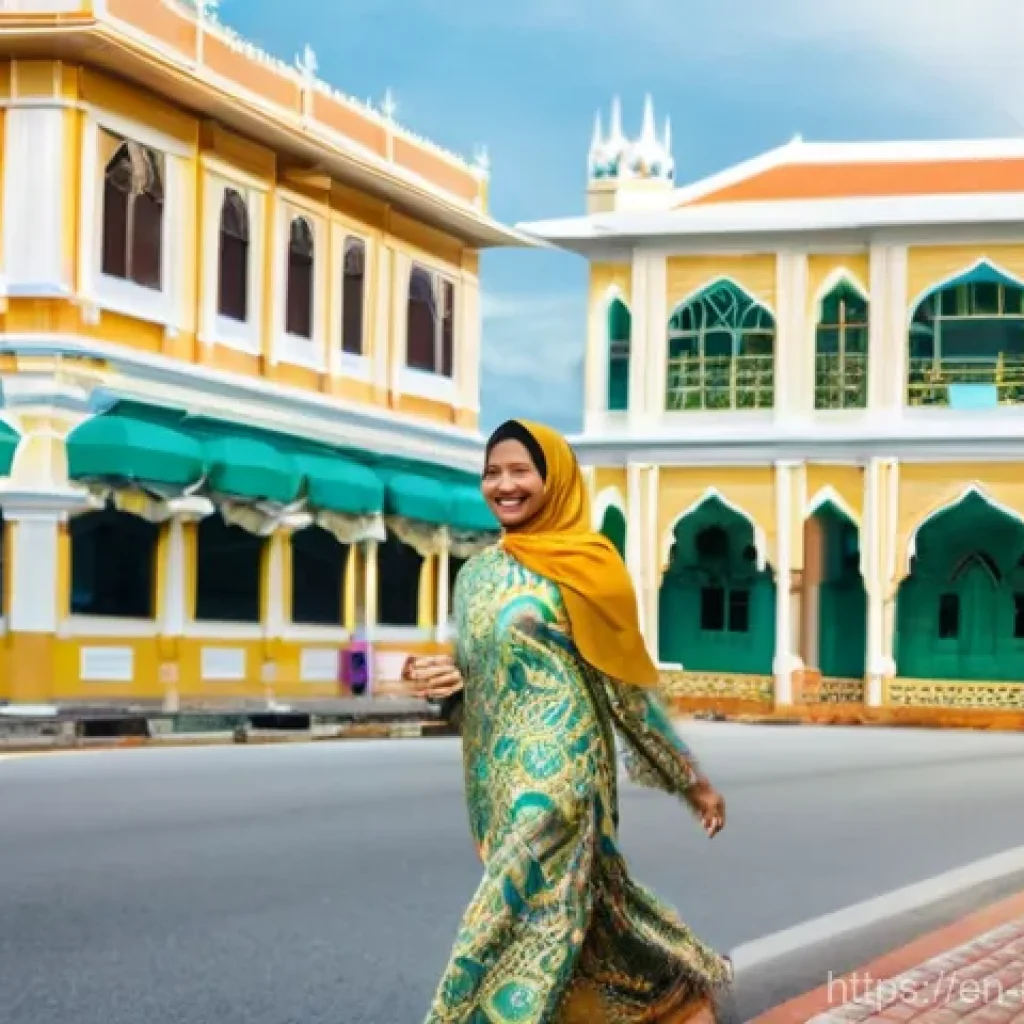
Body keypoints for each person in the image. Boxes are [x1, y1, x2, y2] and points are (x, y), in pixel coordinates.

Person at [405, 418, 732, 1024]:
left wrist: (690, 780)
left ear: (552, 479)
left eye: (520, 471)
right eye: (492, 473)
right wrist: (445, 684)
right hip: (499, 776)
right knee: (576, 902)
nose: (504, 485)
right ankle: (664, 998)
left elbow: (627, 694)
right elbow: (477, 683)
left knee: (505, 914)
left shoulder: (588, 565)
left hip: (561, 774)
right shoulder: (475, 575)